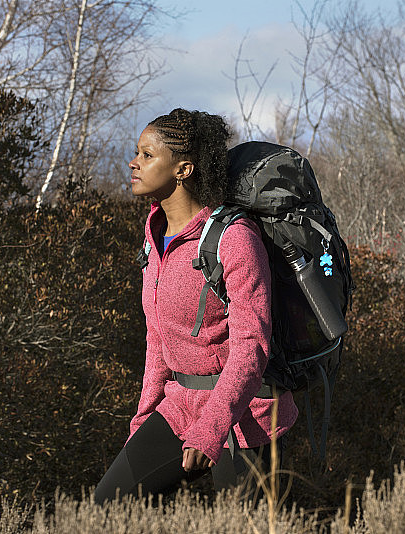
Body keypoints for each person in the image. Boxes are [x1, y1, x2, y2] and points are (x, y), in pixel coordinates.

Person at [94, 108, 298, 504]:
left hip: (246, 416)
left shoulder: (234, 239)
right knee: (106, 507)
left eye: (147, 155)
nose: (133, 163)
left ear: (183, 169)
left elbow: (250, 349)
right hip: (180, 406)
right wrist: (143, 420)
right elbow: (158, 340)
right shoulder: (156, 240)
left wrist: (211, 429)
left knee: (243, 529)